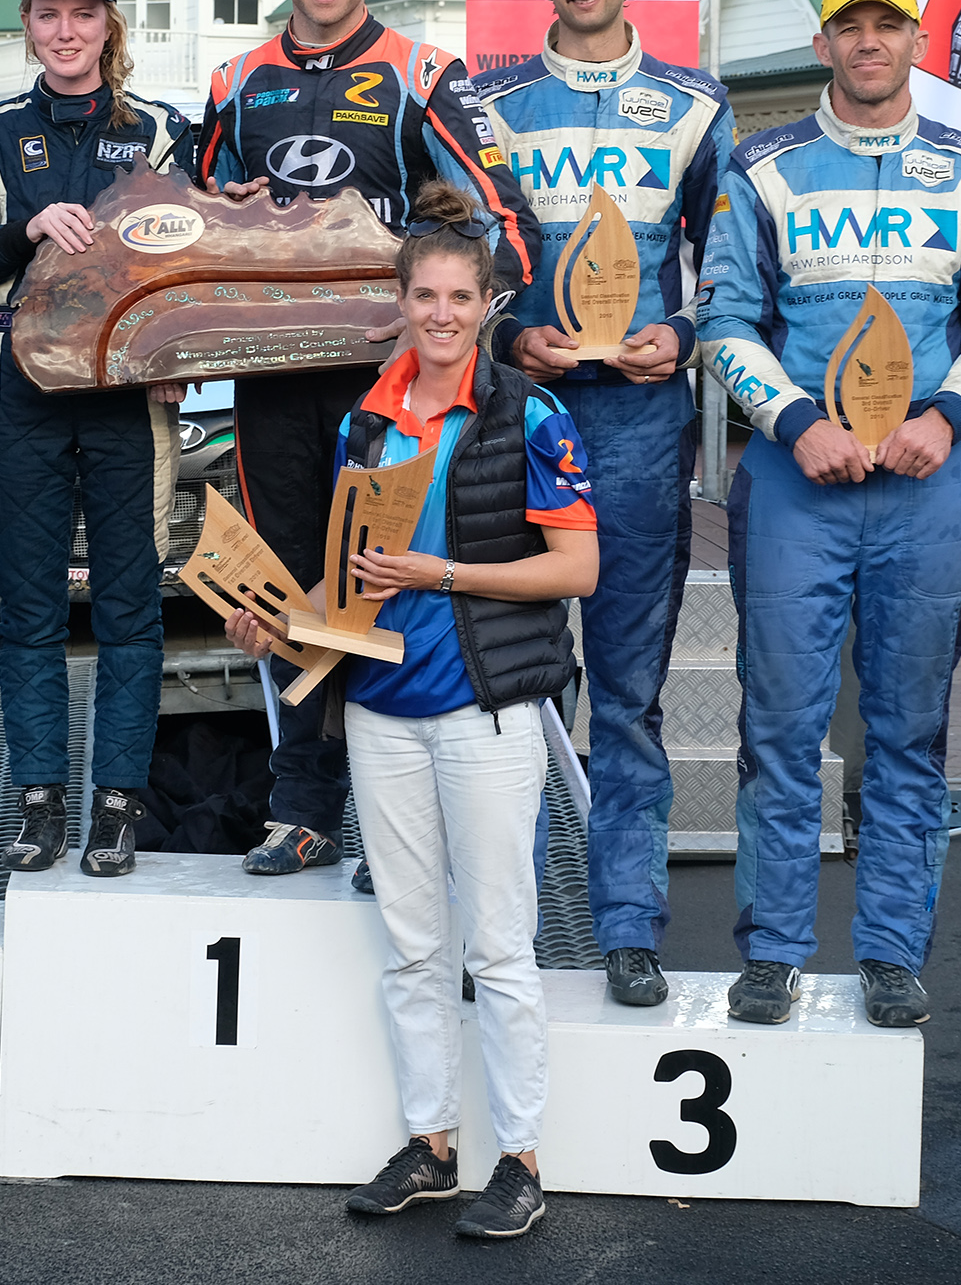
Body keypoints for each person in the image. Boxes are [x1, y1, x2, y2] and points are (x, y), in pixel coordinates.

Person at [221, 181, 598, 1240]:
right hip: (380, 710)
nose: (439, 313)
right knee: (411, 944)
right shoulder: (364, 419)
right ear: (398, 300)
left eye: (457, 297)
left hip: (487, 710)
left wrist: (444, 571)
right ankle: (432, 1142)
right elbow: (352, 591)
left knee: (500, 946)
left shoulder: (532, 411)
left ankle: (518, 1156)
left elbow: (578, 566)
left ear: (486, 304)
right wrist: (278, 630)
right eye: (422, 295)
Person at [696, 0, 961, 1028]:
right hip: (796, 485)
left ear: (917, 42)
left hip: (929, 485)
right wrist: (797, 423)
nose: (869, 42)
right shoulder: (763, 168)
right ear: (824, 42)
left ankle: (891, 952)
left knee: (907, 732)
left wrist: (945, 415)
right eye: (850, 24)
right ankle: (773, 951)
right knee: (782, 727)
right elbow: (723, 322)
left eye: (888, 24)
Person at [198, 0, 540, 878]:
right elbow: (184, 214)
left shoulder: (425, 70)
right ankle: (302, 805)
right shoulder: (233, 80)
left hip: (387, 389)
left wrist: (465, 334)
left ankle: (402, 813)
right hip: (269, 375)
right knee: (290, 574)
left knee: (382, 582)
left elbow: (500, 220)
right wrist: (223, 205)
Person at [473, 0, 736, 1008]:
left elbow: (735, 262)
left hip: (636, 419)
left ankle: (628, 923)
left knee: (626, 695)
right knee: (520, 687)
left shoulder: (695, 104)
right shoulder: (487, 102)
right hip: (524, 411)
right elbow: (460, 249)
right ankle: (513, 927)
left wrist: (677, 335)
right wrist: (501, 332)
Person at [0, 0, 194, 878]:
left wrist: (170, 357)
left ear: (109, 24)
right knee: (27, 606)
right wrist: (22, 230)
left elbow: (189, 264)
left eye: (84, 14)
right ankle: (38, 799)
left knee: (128, 607)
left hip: (124, 397)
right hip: (23, 392)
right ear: (28, 26)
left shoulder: (157, 130)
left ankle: (118, 801)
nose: (66, 32)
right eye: (48, 15)